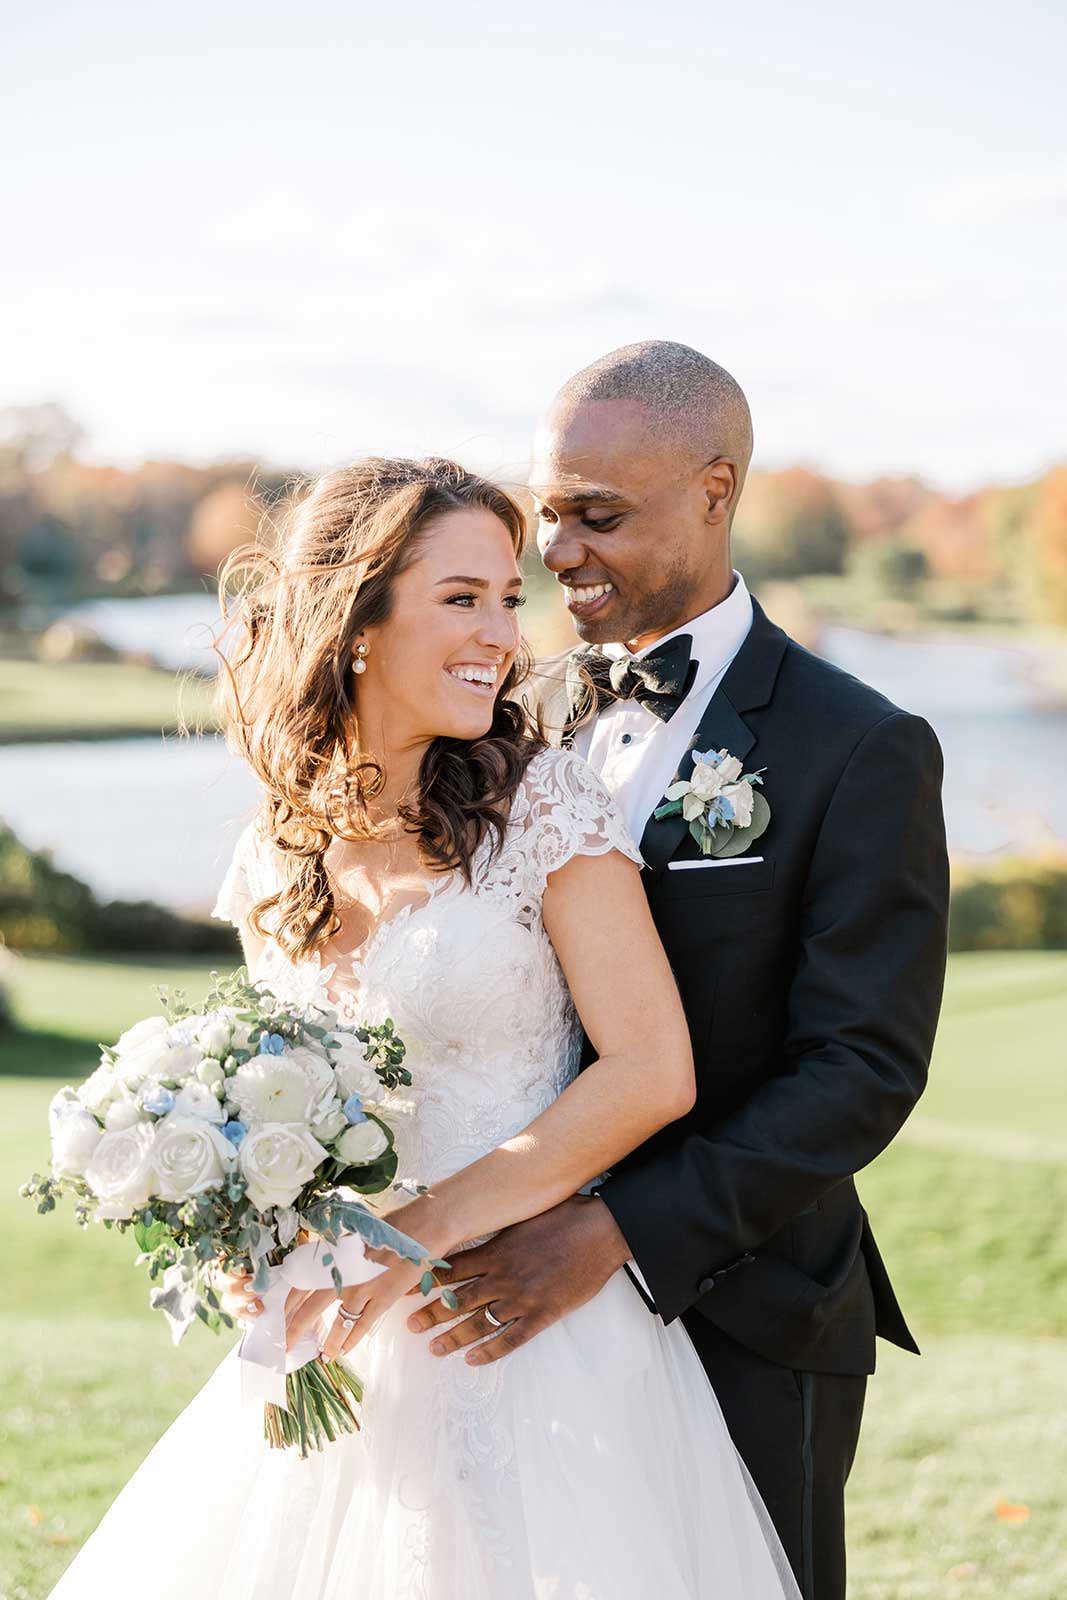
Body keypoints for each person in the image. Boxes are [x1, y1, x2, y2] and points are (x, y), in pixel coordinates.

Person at [48, 455, 800, 1600]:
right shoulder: (275, 853)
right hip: (345, 1346)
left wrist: (412, 1242)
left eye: (507, 597)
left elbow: (652, 1071)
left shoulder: (542, 806)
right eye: (462, 597)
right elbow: (287, 1102)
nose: (502, 633)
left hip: (523, 1328)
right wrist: (256, 1250)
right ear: (356, 617)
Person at [405, 343, 951, 1600]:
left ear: (715, 491)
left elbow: (861, 1067)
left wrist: (616, 1232)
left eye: (599, 517)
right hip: (499, 1312)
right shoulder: (506, 716)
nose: (558, 550)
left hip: (745, 1308)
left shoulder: (856, 745)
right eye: (547, 511)